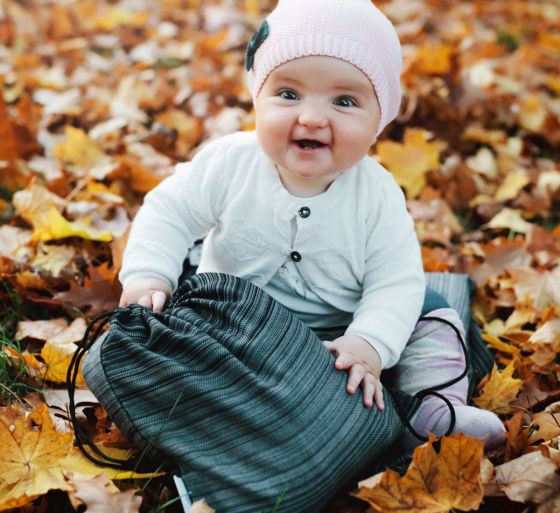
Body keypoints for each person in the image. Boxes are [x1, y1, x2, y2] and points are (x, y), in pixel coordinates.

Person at [117, 0, 505, 451]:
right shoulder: (229, 163)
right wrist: (148, 273)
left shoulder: (377, 194)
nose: (312, 117)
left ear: (379, 120)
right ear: (256, 98)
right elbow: (170, 211)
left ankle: (429, 408)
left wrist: (369, 343)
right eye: (288, 94)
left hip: (342, 335)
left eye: (344, 101)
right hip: (236, 322)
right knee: (183, 321)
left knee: (431, 314)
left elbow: (393, 282)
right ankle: (213, 411)